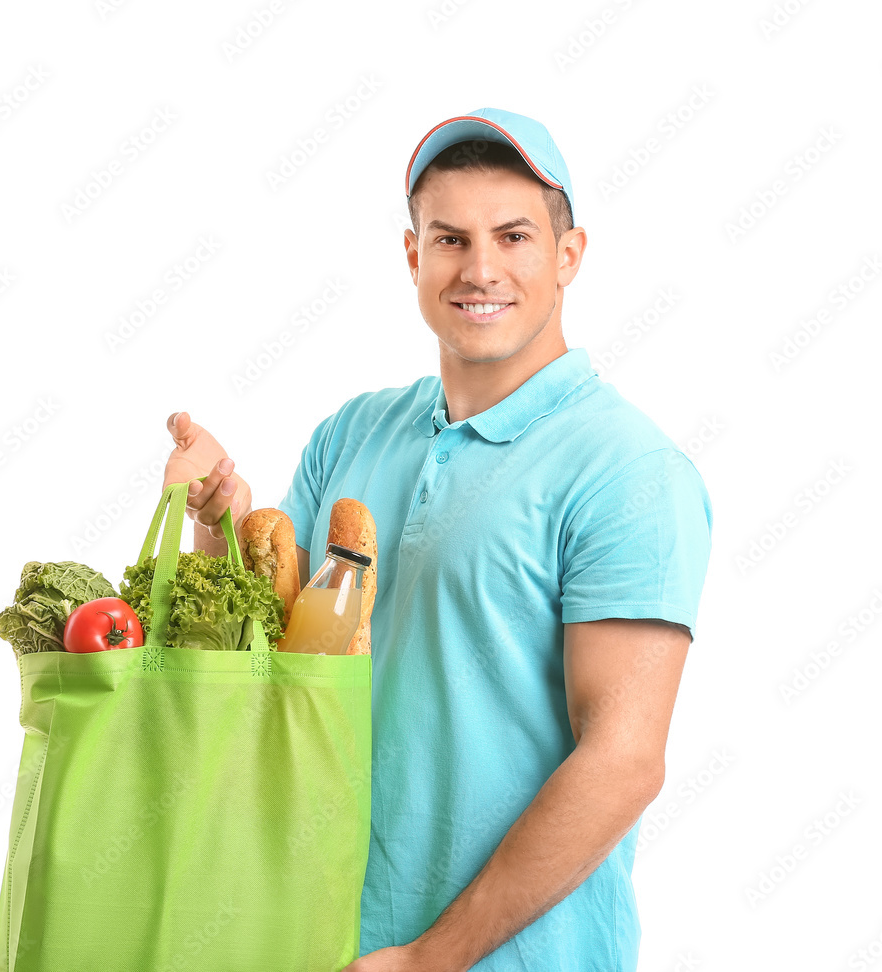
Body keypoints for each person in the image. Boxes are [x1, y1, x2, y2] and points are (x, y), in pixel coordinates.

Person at [163, 107, 713, 971]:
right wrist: (217, 521)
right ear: (414, 256)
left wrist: (431, 957)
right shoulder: (353, 434)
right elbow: (275, 659)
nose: (480, 269)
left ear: (568, 256)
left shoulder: (629, 470)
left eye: (515, 235)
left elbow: (625, 758)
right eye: (450, 238)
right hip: (325, 937)